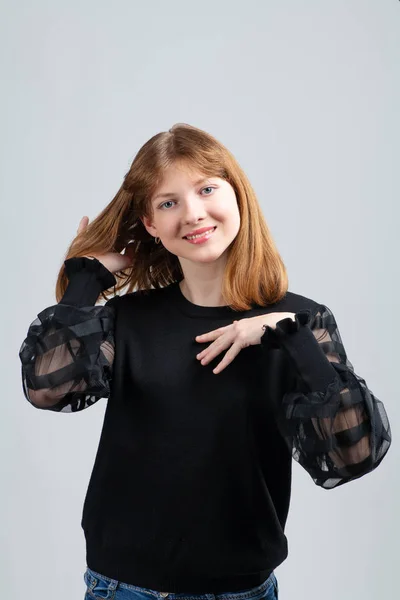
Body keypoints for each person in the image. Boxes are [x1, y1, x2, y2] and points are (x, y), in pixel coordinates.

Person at [19, 123, 391, 600]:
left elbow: (352, 454)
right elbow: (46, 387)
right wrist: (89, 278)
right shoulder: (125, 321)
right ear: (150, 224)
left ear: (237, 194)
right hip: (123, 587)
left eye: (207, 189)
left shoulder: (302, 323)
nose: (193, 214)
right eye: (167, 202)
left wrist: (286, 336)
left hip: (241, 590)